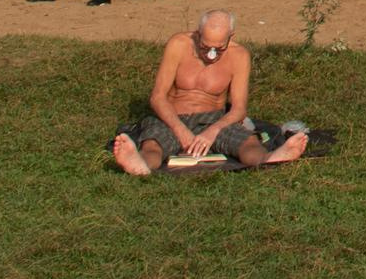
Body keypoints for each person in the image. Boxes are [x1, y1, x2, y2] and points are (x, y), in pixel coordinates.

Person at [111, 11, 311, 175]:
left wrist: (212, 131)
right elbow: (157, 97)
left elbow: (239, 108)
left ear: (230, 37)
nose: (211, 54)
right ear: (198, 34)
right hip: (172, 117)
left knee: (249, 143)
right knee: (153, 146)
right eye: (205, 47)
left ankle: (270, 158)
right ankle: (140, 165)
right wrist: (180, 130)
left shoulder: (239, 56)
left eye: (218, 49)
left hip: (213, 119)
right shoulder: (179, 44)